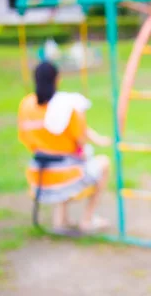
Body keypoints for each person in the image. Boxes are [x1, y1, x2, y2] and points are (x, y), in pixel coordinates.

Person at [18, 61, 111, 233]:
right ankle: (87, 219)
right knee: (103, 163)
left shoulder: (26, 105)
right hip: (65, 177)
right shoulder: (66, 107)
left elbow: (25, 138)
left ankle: (60, 220)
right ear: (57, 78)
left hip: (38, 175)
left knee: (68, 162)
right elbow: (80, 138)